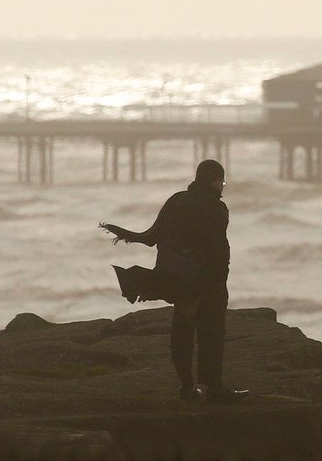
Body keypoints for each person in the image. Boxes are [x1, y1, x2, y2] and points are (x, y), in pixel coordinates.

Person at [99, 158, 248, 403]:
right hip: (203, 280)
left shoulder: (176, 200)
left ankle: (187, 388)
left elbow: (150, 238)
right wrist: (218, 283)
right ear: (214, 181)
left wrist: (125, 234)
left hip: (174, 277)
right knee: (211, 332)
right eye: (222, 181)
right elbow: (217, 249)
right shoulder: (216, 207)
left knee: (182, 329)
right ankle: (214, 388)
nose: (223, 186)